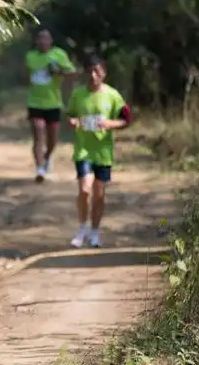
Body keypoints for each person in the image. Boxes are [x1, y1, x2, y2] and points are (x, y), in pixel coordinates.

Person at [65, 54, 132, 248]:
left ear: (104, 73)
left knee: (99, 194)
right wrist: (73, 122)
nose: (94, 75)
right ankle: (81, 229)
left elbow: (126, 119)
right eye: (90, 71)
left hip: (103, 151)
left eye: (98, 72)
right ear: (86, 73)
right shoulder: (78, 94)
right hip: (83, 149)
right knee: (84, 190)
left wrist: (109, 123)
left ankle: (95, 232)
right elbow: (71, 115)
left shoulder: (112, 95)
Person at [24, 28, 78, 183]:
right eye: (39, 38)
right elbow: (27, 76)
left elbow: (72, 73)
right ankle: (40, 168)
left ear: (51, 41)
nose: (42, 41)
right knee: (38, 131)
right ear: (36, 41)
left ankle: (47, 157)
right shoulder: (30, 57)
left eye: (46, 38)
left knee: (52, 138)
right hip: (34, 102)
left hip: (53, 103)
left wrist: (58, 71)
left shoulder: (58, 55)